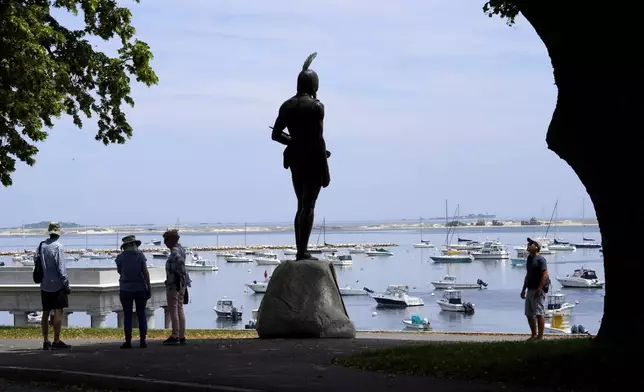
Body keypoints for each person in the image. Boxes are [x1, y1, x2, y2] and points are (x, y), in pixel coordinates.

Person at [270, 52, 332, 261]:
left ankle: (300, 250)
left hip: (295, 159)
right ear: (314, 85)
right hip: (313, 159)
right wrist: (325, 166)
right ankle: (302, 252)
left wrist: (295, 142)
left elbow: (276, 134)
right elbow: (318, 139)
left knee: (300, 205)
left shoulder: (287, 105)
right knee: (309, 205)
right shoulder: (316, 107)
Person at [37, 222, 71, 350]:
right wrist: (66, 284)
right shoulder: (58, 247)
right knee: (58, 311)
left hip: (44, 283)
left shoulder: (41, 245)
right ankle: (56, 340)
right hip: (57, 284)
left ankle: (46, 340)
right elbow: (61, 268)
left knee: (45, 312)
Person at [114, 235, 151, 348]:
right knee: (141, 314)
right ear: (135, 245)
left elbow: (120, 271)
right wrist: (149, 288)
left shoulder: (120, 257)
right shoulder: (140, 256)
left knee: (127, 315)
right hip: (140, 288)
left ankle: (128, 341)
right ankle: (143, 340)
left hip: (125, 289)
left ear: (125, 246)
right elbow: (145, 273)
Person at [162, 229, 191, 345]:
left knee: (173, 309)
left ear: (172, 240)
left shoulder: (174, 252)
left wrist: (178, 275)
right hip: (181, 284)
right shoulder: (181, 249)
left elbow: (180, 263)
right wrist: (184, 279)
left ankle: (175, 335)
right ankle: (181, 335)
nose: (164, 242)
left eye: (166, 240)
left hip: (174, 284)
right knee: (179, 309)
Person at [521, 237, 549, 341]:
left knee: (539, 314)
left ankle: (540, 337)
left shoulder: (541, 259)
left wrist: (539, 288)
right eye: (529, 243)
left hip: (538, 290)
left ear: (537, 247)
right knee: (529, 314)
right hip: (530, 289)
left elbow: (545, 275)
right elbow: (528, 275)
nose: (528, 245)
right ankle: (533, 335)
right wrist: (523, 289)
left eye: (531, 243)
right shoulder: (529, 258)